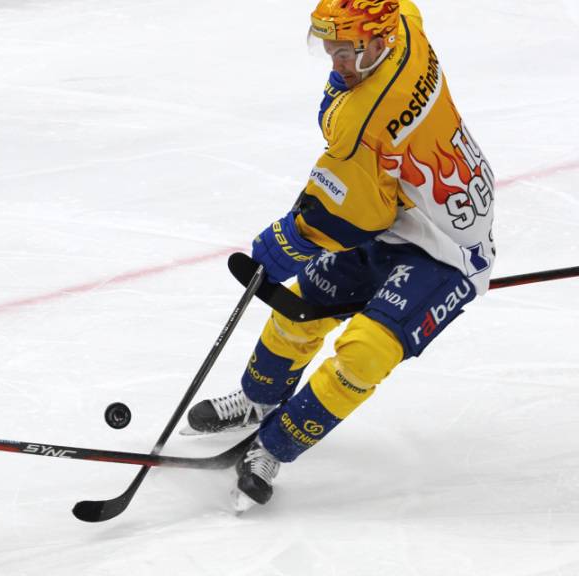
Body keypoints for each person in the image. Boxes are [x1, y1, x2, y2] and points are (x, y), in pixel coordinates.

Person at [186, 0, 496, 511]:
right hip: (404, 212)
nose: (334, 62)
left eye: (344, 53)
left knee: (368, 349)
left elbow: (353, 217)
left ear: (377, 44)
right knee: (303, 302)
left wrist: (288, 241)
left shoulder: (364, 117)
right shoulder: (405, 28)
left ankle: (274, 445)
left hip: (447, 248)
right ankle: (260, 399)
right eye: (328, 49)